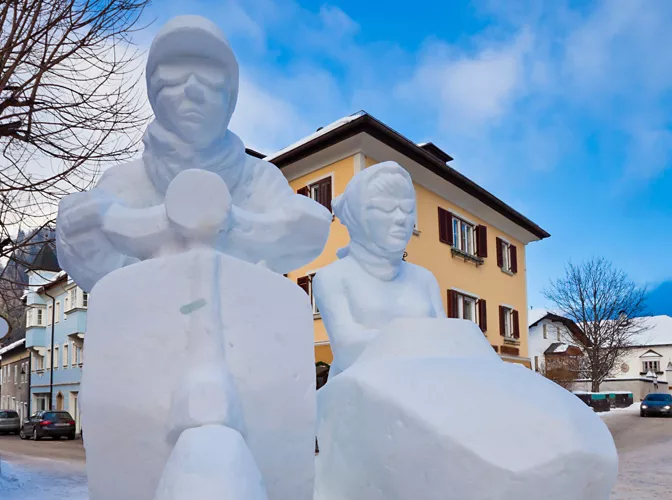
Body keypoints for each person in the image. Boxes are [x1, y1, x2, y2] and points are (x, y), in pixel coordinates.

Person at [56, 15, 331, 292]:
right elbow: (100, 274)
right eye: (174, 76)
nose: (192, 90)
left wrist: (232, 223)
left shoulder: (259, 181)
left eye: (209, 78)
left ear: (230, 95)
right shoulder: (123, 184)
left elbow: (305, 234)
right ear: (153, 89)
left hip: (242, 326)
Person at [313, 162, 445, 378]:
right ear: (357, 215)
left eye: (408, 209)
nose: (402, 219)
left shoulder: (424, 278)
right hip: (361, 397)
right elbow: (348, 349)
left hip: (428, 389)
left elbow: (451, 341)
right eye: (386, 208)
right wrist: (431, 342)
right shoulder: (332, 278)